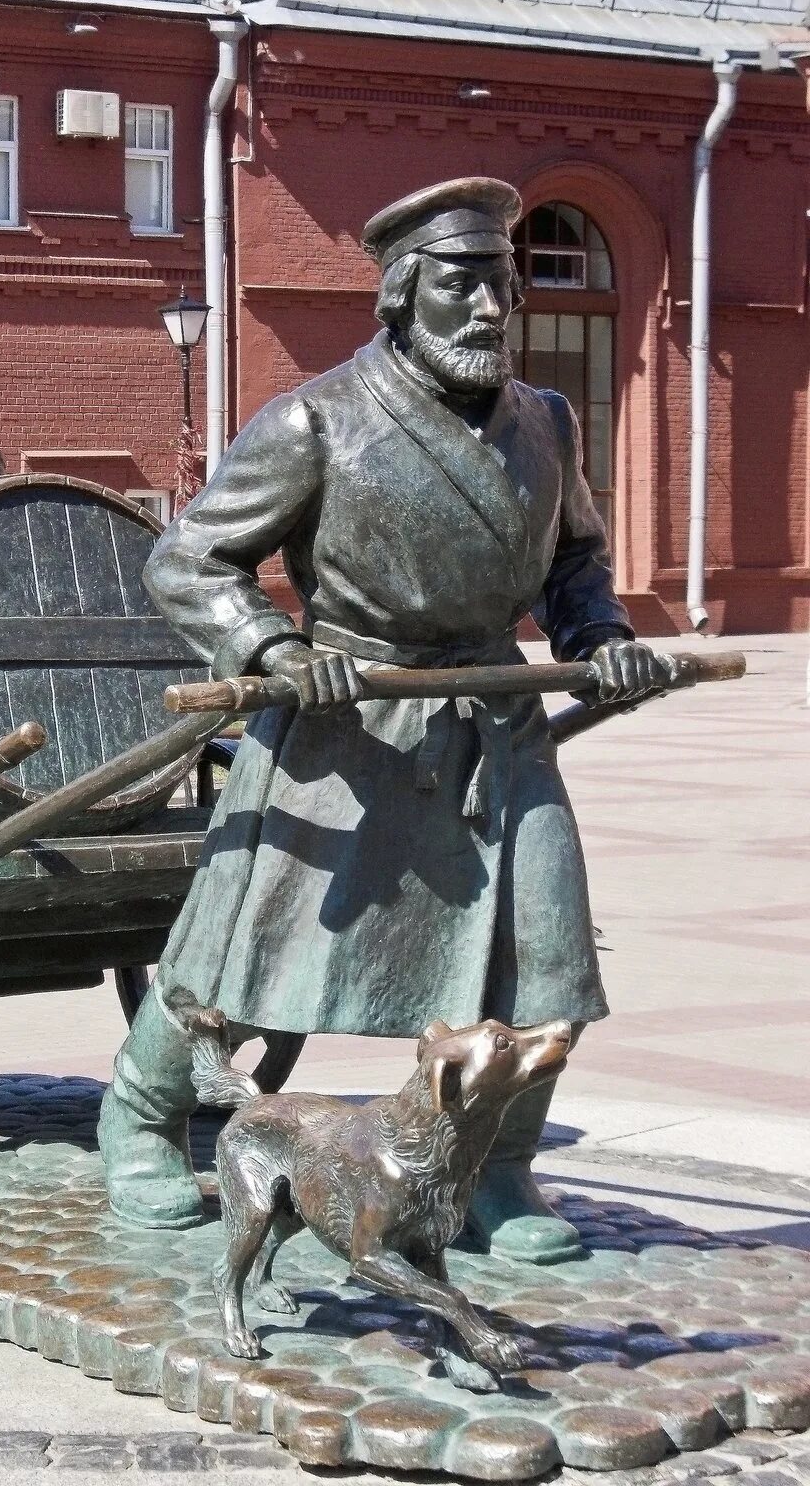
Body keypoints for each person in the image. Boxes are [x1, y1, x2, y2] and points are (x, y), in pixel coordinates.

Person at [99, 177, 676, 1264]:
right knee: (246, 951)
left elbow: (576, 563)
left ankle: (501, 1166)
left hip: (491, 730)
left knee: (545, 953)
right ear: (402, 296)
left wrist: (600, 642)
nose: (491, 309)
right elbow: (189, 559)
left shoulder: (544, 425)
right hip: (346, 725)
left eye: (503, 283)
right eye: (461, 285)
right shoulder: (316, 420)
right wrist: (272, 648)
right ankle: (138, 1114)